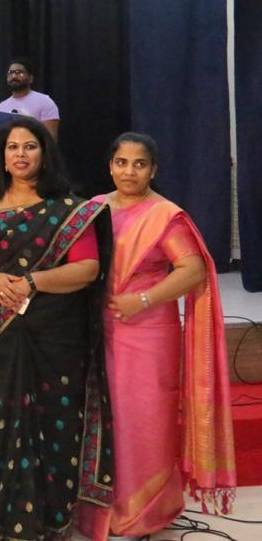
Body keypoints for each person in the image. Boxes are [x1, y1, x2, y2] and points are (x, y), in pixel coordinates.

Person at [75, 133, 236, 541]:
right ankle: (101, 512)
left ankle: (143, 514)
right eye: (122, 162)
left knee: (143, 423)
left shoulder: (165, 215)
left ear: (153, 170)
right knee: (102, 419)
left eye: (140, 164)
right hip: (98, 331)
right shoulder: (93, 208)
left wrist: (143, 299)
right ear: (110, 166)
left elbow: (192, 270)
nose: (130, 171)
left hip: (148, 333)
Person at [0, 116, 112, 541]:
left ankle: (49, 519)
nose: (21, 154)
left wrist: (31, 282)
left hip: (56, 336)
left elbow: (87, 269)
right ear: (2, 156)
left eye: (30, 146)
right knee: (0, 419)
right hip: (1, 333)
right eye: (12, 147)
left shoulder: (68, 209)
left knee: (54, 422)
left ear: (45, 154)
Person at [0, 57, 60, 138]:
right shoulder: (1, 107)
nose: (14, 76)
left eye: (19, 72)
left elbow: (50, 139)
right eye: (11, 72)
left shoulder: (45, 102)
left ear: (30, 78)